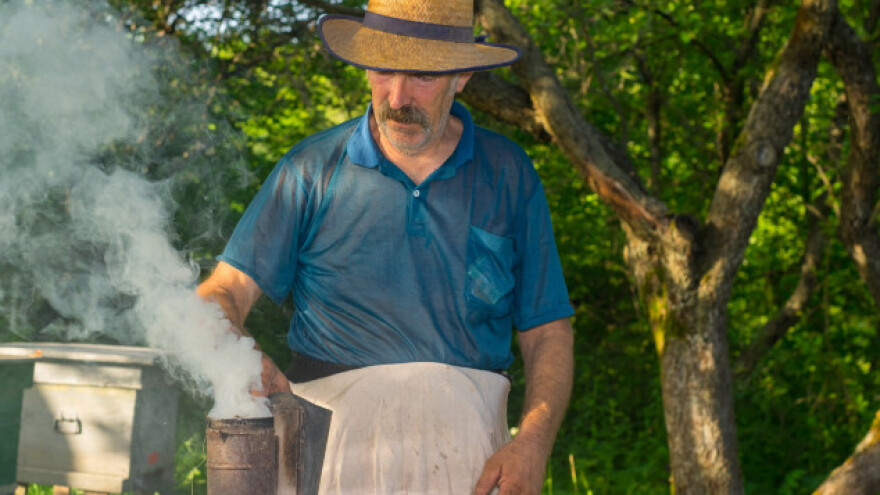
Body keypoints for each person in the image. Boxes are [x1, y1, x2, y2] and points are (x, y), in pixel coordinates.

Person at [196, 0, 575, 493]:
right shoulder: (311, 170)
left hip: (471, 459)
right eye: (383, 72)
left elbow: (548, 333)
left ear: (461, 77)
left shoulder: (509, 173)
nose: (397, 97)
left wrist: (532, 444)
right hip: (329, 454)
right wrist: (242, 354)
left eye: (421, 76)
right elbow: (218, 294)